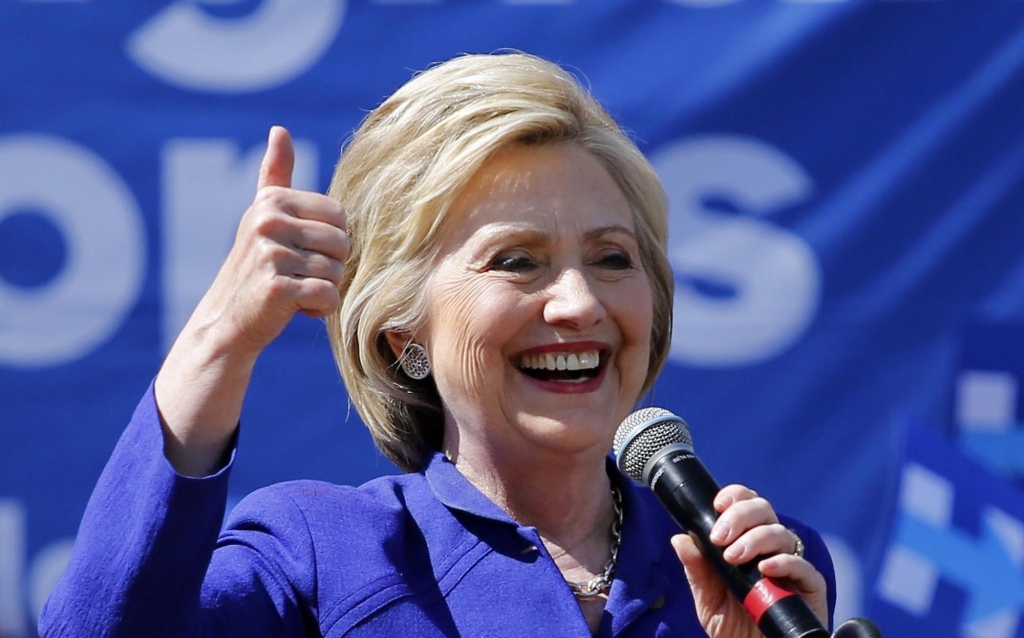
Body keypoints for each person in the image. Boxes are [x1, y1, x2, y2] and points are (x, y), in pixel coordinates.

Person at [39, 52, 835, 637]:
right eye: (517, 262)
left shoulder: (760, 575)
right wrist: (220, 337)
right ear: (401, 332)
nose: (580, 302)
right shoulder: (319, 557)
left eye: (613, 259)